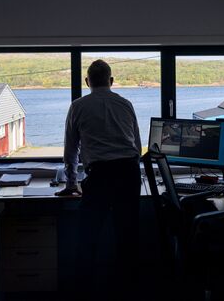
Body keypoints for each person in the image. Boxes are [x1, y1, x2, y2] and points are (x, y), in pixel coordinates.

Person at [55, 59, 142, 299]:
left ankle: (83, 290)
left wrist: (71, 184)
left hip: (100, 175)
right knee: (127, 234)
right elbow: (137, 145)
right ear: (111, 81)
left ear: (87, 82)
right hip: (128, 173)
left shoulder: (78, 106)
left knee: (88, 235)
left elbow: (71, 149)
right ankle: (128, 288)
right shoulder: (125, 104)